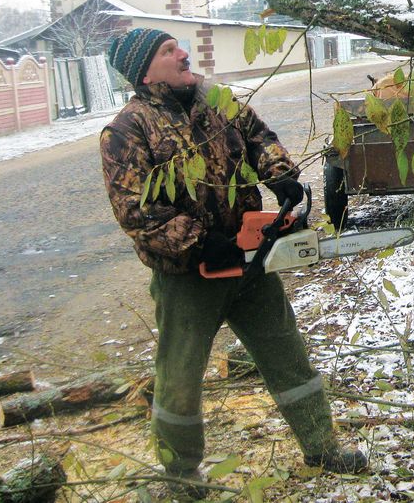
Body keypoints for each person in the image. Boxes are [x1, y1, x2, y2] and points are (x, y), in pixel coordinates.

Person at [99, 28, 367, 498]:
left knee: (287, 355)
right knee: (179, 377)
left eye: (177, 47)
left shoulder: (215, 100)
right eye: (168, 51)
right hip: (187, 276)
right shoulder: (127, 130)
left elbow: (258, 135)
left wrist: (280, 173)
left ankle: (322, 446)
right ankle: (180, 476)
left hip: (251, 260)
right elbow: (136, 210)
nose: (182, 54)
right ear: (144, 68)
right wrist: (199, 242)